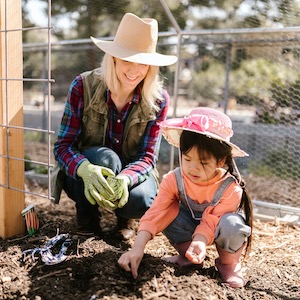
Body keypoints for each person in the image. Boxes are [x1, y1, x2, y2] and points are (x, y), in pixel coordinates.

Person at [51, 12, 178, 239]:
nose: (134, 70)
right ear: (114, 59)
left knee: (141, 200)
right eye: (127, 60)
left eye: (143, 63)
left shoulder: (159, 100)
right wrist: (86, 170)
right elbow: (63, 146)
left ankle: (125, 219)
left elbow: (148, 157)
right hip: (83, 175)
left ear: (151, 67)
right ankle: (88, 220)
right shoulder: (83, 86)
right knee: (106, 159)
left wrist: (126, 178)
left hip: (130, 174)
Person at [118, 107, 253, 288]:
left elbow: (211, 220)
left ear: (220, 161)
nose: (192, 168)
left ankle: (228, 265)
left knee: (233, 224)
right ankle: (189, 256)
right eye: (187, 159)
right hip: (188, 230)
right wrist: (137, 249)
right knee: (168, 212)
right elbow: (156, 212)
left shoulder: (231, 189)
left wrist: (201, 240)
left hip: (216, 228)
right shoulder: (174, 179)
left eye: (203, 162)